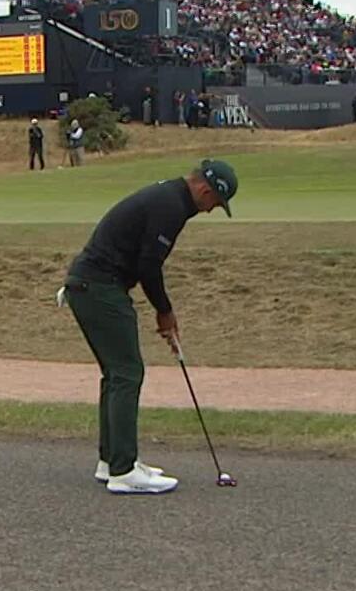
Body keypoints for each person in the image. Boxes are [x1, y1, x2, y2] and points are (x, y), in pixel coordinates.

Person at [59, 159, 238, 494]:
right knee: (127, 373)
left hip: (91, 286)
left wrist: (163, 311)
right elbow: (149, 266)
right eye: (215, 201)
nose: (213, 209)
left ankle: (112, 460)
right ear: (204, 189)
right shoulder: (172, 205)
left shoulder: (173, 198)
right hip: (99, 288)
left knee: (116, 374)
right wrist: (165, 312)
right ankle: (123, 471)